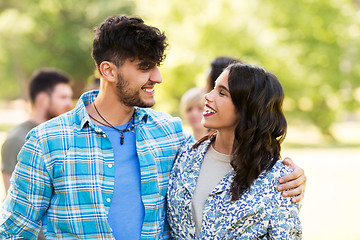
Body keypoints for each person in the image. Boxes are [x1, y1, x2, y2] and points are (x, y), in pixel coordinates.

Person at [0, 15, 305, 239]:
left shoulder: (169, 135)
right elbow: (14, 230)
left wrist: (291, 178)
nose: (157, 77)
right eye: (145, 67)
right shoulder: (47, 142)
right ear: (108, 70)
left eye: (157, 65)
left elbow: (230, 156)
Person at [167, 63, 302, 239]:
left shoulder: (278, 179)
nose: (207, 96)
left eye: (222, 92)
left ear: (247, 108)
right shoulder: (184, 155)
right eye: (213, 88)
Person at [0, 68, 73, 240]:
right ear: (42, 100)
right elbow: (17, 208)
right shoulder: (17, 139)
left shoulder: (65, 136)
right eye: (63, 97)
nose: (70, 103)